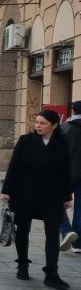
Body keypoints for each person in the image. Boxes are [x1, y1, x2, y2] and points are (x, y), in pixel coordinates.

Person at [1, 110, 72, 289]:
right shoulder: (26, 141)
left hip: (52, 195)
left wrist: (67, 196)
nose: (38, 126)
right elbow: (14, 166)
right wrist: (6, 190)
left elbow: (65, 172)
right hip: (25, 192)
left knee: (53, 233)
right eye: (37, 122)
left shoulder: (62, 144)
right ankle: (23, 265)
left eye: (43, 123)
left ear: (54, 126)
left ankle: (52, 273)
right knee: (23, 229)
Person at [59, 101, 81, 253]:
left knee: (54, 202)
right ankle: (78, 244)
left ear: (72, 111)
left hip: (66, 173)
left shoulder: (64, 128)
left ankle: (66, 231)